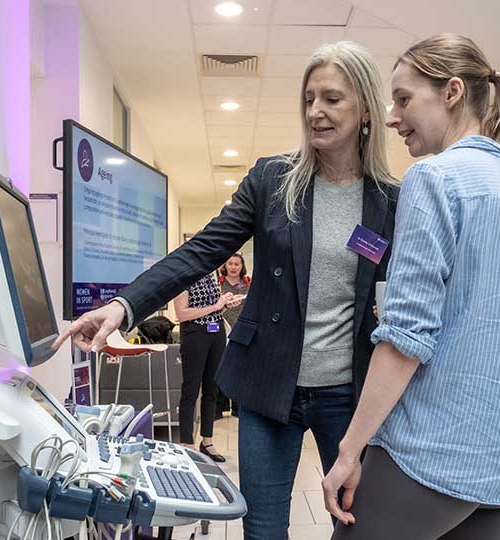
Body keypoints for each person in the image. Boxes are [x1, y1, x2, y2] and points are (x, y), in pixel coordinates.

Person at [52, 41, 400, 540]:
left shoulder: (390, 200)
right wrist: (123, 306)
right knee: (261, 528)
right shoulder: (273, 179)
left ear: (365, 106)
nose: (316, 112)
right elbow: (201, 251)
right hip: (267, 384)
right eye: (308, 98)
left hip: (348, 393)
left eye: (332, 98)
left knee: (357, 524)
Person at [320, 33, 500, 540]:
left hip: (431, 456)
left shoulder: (434, 177)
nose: (391, 116)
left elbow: (406, 338)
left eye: (405, 99)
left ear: (452, 92)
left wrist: (348, 451)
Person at [171, 273, 235, 462]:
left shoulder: (211, 276)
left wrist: (223, 306)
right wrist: (215, 306)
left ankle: (207, 441)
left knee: (211, 390)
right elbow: (181, 314)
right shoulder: (184, 278)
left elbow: (212, 310)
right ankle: (186, 443)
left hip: (216, 331)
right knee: (190, 390)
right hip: (195, 334)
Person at [216, 252, 251, 418]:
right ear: (225, 266)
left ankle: (238, 409)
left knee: (240, 370)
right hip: (222, 329)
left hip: (242, 330)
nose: (234, 267)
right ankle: (219, 408)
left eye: (237, 264)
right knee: (221, 368)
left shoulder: (247, 283)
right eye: (230, 263)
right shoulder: (218, 283)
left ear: (242, 266)